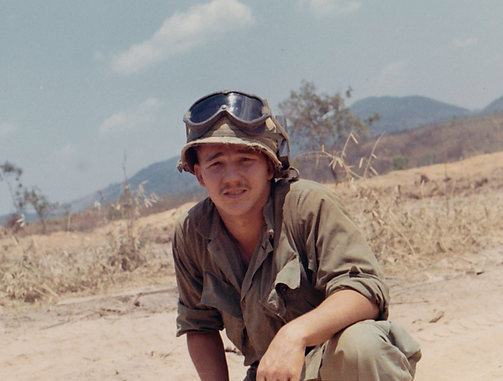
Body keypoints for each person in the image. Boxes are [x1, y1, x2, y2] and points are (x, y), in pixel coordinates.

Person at [173, 90, 421, 381]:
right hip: (270, 375)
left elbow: (365, 292)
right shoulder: (193, 232)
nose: (231, 177)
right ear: (200, 175)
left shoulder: (308, 206)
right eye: (216, 164)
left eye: (245, 160)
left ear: (269, 166)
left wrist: (295, 335)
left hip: (333, 364)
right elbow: (199, 326)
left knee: (363, 345)